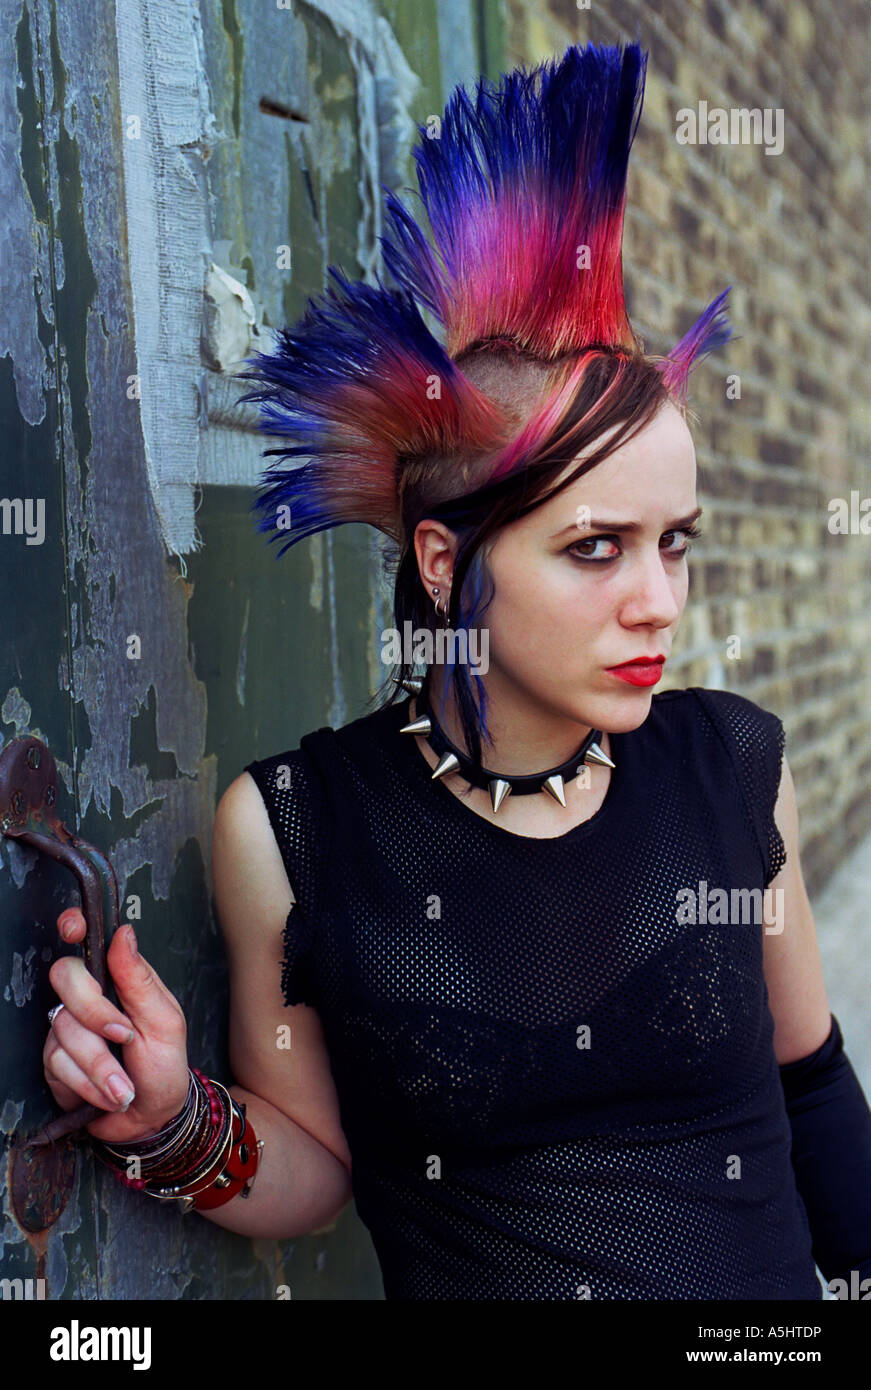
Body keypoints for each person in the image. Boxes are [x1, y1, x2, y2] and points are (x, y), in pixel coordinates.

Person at [42, 41, 871, 1299]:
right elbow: (319, 1168)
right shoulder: (296, 832)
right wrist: (173, 1121)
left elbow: (811, 1082)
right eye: (596, 548)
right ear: (444, 561)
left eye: (674, 544)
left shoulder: (731, 764)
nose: (659, 599)